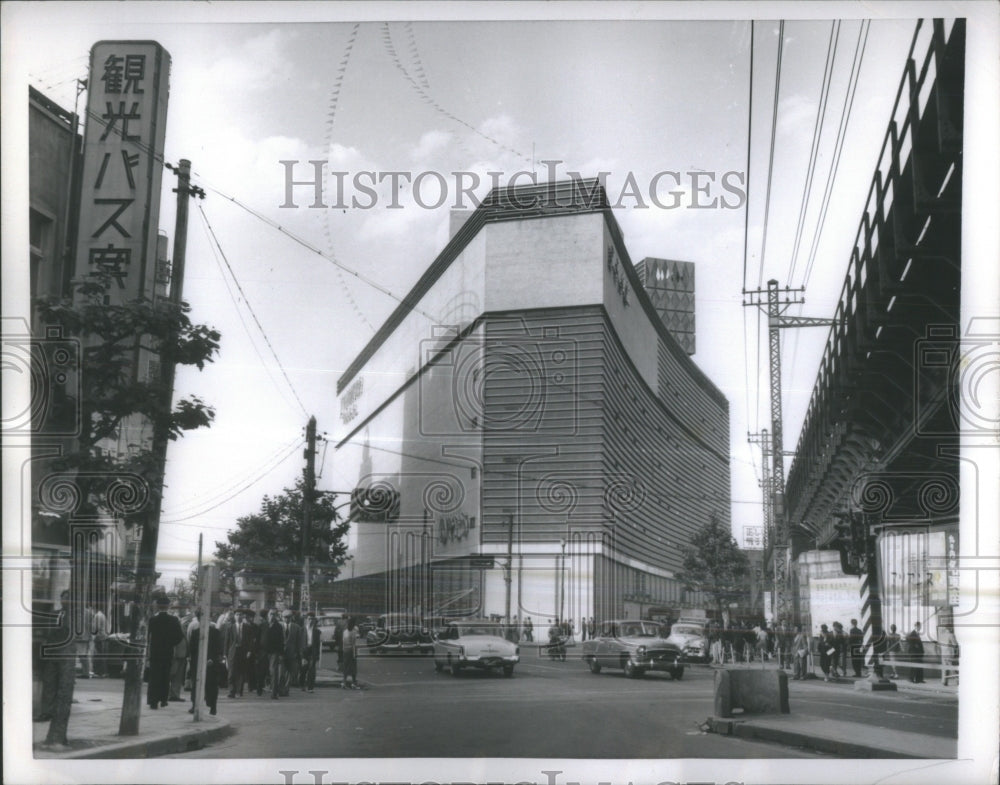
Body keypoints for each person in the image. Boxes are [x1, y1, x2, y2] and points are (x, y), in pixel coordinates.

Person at [38, 590, 77, 750]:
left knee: (62, 686)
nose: (65, 601)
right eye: (63, 597)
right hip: (52, 652)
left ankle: (54, 713)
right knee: (49, 683)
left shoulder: (76, 616)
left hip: (65, 654)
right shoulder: (54, 614)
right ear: (60, 599)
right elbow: (48, 631)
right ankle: (46, 711)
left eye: (68, 598)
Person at [147, 594, 183, 709]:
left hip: (155, 652)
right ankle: (163, 699)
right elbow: (179, 636)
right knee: (165, 676)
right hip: (167, 652)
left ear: (157, 606)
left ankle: (153, 701)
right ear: (168, 606)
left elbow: (147, 636)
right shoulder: (173, 620)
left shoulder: (152, 620)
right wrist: (170, 643)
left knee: (154, 677)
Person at [188, 615, 223, 715]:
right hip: (198, 663)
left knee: (211, 685)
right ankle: (195, 705)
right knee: (196, 685)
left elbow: (218, 648)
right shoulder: (195, 633)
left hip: (212, 663)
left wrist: (211, 659)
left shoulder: (215, 633)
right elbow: (192, 649)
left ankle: (213, 706)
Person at [226, 609, 254, 698]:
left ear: (243, 616)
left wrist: (249, 651)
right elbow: (227, 641)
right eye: (237, 615)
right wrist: (225, 654)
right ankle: (231, 691)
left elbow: (250, 641)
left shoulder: (248, 627)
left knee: (241, 672)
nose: (238, 616)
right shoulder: (231, 627)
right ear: (234, 616)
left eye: (240, 615)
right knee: (231, 672)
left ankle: (239, 690)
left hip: (243, 651)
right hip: (233, 652)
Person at [168, 604, 189, 701]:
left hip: (182, 654)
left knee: (178, 676)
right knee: (172, 674)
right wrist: (174, 652)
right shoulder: (174, 621)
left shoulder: (181, 621)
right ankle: (170, 694)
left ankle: (175, 695)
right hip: (176, 654)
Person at [262, 610, 284, 699]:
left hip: (274, 652)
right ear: (268, 616)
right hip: (263, 652)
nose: (272, 616)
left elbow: (281, 640)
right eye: (271, 614)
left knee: (274, 672)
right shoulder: (263, 625)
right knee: (262, 671)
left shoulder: (278, 627)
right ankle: (261, 689)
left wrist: (281, 654)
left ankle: (274, 693)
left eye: (274, 614)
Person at [280, 609, 302, 696]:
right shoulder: (279, 626)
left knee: (290, 673)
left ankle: (286, 689)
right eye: (285, 617)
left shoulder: (297, 627)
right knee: (281, 672)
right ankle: (281, 689)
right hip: (281, 654)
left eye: (288, 617)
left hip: (292, 654)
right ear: (282, 618)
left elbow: (299, 641)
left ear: (291, 618)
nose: (287, 619)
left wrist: (298, 652)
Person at [302, 612, 322, 692]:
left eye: (312, 619)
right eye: (309, 619)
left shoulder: (317, 631)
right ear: (306, 620)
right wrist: (301, 655)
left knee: (312, 669)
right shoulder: (302, 630)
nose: (310, 621)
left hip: (312, 651)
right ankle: (303, 684)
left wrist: (317, 655)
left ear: (314, 620)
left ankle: (310, 687)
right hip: (304, 651)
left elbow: (318, 644)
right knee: (303, 669)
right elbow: (300, 643)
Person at [77, 602, 95, 678]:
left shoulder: (77, 612)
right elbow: (92, 625)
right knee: (83, 655)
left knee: (82, 656)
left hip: (80, 637)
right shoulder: (89, 613)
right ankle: (86, 672)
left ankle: (86, 673)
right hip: (86, 637)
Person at [341, 616, 359, 689]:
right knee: (353, 667)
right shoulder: (353, 632)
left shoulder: (345, 631)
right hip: (351, 651)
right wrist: (355, 654)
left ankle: (344, 682)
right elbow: (354, 644)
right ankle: (353, 683)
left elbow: (343, 642)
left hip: (345, 650)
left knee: (346, 667)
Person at [91, 604, 109, 677]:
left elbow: (96, 627)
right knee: (102, 655)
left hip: (99, 637)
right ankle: (102, 672)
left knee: (98, 655)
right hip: (103, 636)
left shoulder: (97, 616)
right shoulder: (103, 615)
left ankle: (99, 672)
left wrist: (93, 636)